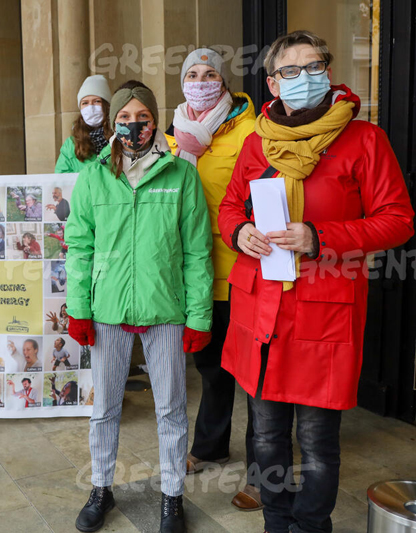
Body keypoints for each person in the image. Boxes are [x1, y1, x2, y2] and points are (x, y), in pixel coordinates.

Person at [217, 31, 413, 533]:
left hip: (324, 310)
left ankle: (310, 526)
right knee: (266, 436)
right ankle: (276, 522)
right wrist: (239, 233)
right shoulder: (257, 141)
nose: (303, 77)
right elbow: (230, 207)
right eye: (290, 70)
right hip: (262, 309)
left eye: (314, 66)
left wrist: (319, 236)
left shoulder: (363, 139)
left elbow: (398, 220)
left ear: (328, 71)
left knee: (318, 442)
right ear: (273, 83)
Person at [65, 80, 213, 533]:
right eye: (125, 118)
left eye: (143, 118)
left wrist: (199, 316)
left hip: (164, 309)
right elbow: (79, 247)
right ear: (114, 123)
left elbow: (197, 252)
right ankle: (101, 488)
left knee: (170, 408)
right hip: (108, 309)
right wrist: (78, 308)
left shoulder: (181, 175)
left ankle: (172, 496)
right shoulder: (93, 177)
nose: (134, 126)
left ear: (155, 120)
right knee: (105, 408)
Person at [165, 47, 262, 511]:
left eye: (209, 75)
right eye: (192, 74)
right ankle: (211, 446)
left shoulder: (250, 130)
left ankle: (264, 468)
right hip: (196, 275)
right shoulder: (174, 135)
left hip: (241, 271)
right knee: (210, 367)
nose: (200, 82)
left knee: (256, 374)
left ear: (223, 83)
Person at [55, 75, 113, 173]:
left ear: (107, 106)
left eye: (97, 101)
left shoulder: (119, 138)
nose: (91, 107)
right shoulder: (71, 144)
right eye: (85, 103)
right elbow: (61, 176)